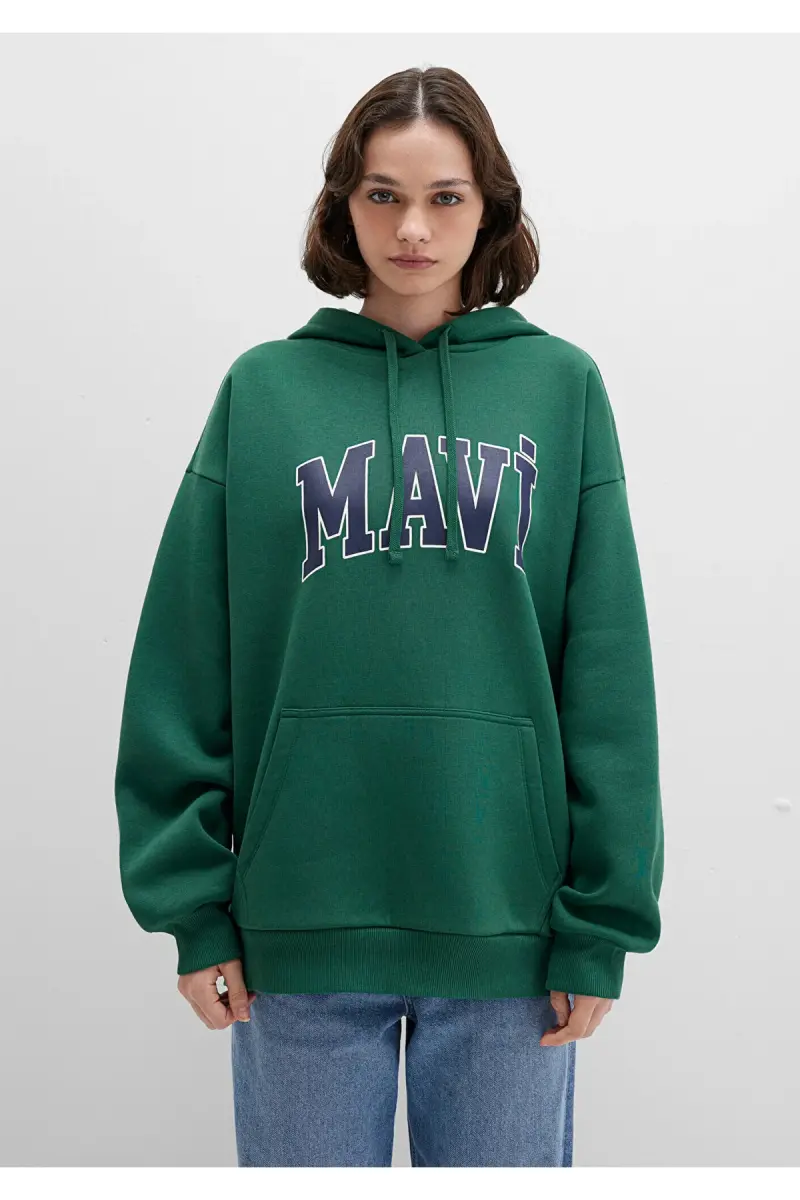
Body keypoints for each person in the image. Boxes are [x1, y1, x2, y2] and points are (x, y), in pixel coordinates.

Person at [113, 64, 664, 1167]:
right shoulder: (265, 392)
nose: (412, 228)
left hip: (508, 934)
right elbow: (184, 660)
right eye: (383, 195)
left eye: (444, 197)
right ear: (344, 205)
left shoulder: (561, 390)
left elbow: (605, 671)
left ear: (488, 207)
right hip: (297, 929)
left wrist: (598, 926)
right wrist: (194, 907)